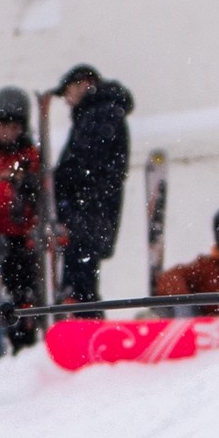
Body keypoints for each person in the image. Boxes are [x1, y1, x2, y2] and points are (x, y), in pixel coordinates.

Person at [51, 65, 133, 313]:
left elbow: (84, 164)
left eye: (68, 93)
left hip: (89, 212)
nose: (67, 101)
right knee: (80, 281)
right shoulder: (99, 113)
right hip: (92, 212)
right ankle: (84, 323)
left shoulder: (100, 114)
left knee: (80, 283)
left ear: (84, 84)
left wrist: (53, 181)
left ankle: (86, 329)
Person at [0, 88, 42, 351]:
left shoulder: (29, 156)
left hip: (19, 238)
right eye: (3, 125)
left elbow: (35, 187)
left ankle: (21, 341)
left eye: (14, 126)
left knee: (21, 294)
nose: (8, 132)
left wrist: (24, 186)